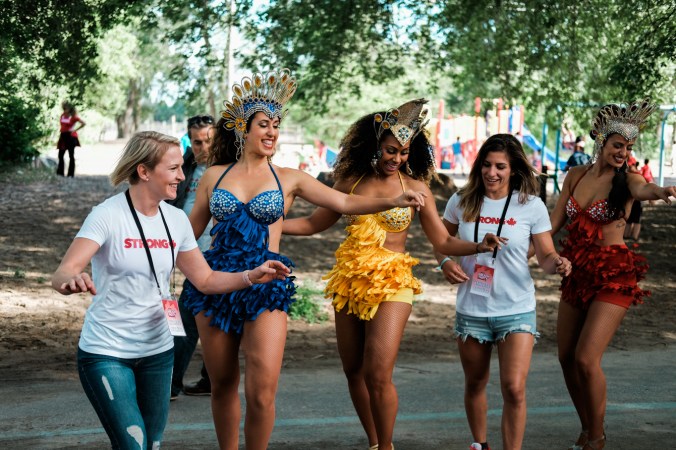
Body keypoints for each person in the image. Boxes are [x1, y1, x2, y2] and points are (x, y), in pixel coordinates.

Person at [181, 70, 427, 450]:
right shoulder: (214, 176)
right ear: (242, 129)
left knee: (261, 391)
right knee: (222, 384)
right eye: (264, 124)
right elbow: (186, 232)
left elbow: (343, 202)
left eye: (277, 126)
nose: (272, 132)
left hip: (266, 282)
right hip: (216, 282)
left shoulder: (290, 178)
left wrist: (391, 201)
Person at [283, 99, 506, 450]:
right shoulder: (349, 183)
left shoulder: (417, 188)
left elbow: (443, 240)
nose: (397, 158)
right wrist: (271, 225)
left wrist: (479, 245)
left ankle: (387, 445)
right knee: (353, 370)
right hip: (350, 281)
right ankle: (374, 442)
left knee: (377, 372)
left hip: (392, 282)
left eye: (403, 152)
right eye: (390, 150)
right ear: (375, 146)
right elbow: (314, 223)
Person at [51, 131, 290, 450]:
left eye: (181, 167)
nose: (182, 175)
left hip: (158, 352)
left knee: (151, 445)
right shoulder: (107, 215)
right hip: (108, 350)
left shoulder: (176, 220)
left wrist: (250, 275)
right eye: (174, 168)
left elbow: (204, 280)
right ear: (144, 171)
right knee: (132, 444)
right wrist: (71, 280)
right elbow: (64, 271)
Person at [549, 99, 676, 450]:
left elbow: (644, 190)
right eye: (618, 144)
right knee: (565, 357)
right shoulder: (574, 176)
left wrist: (661, 191)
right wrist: (527, 245)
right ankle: (588, 425)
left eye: (629, 147)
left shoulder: (630, 180)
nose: (623, 152)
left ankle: (598, 436)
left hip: (614, 273)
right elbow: (554, 223)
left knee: (586, 358)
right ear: (601, 141)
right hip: (576, 272)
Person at [436, 133, 571, 450]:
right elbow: (440, 242)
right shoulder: (461, 200)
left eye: (500, 166)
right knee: (475, 383)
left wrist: (559, 263)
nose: (491, 173)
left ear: (513, 170)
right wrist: (443, 261)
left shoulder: (531, 206)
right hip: (472, 309)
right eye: (486, 165)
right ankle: (480, 445)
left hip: (516, 308)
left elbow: (546, 255)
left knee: (514, 388)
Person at [169, 114, 215, 400]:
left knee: (187, 316)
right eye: (197, 142)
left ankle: (170, 385)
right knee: (205, 316)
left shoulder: (230, 169)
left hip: (218, 254)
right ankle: (210, 381)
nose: (203, 147)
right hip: (186, 252)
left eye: (209, 140)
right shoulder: (185, 165)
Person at [56, 101, 85, 177]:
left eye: (66, 108)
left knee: (71, 155)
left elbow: (83, 123)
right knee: (60, 155)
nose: (65, 110)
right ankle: (60, 173)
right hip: (63, 136)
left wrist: (74, 130)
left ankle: (70, 174)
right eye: (64, 108)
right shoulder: (62, 115)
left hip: (71, 137)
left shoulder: (74, 117)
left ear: (70, 109)